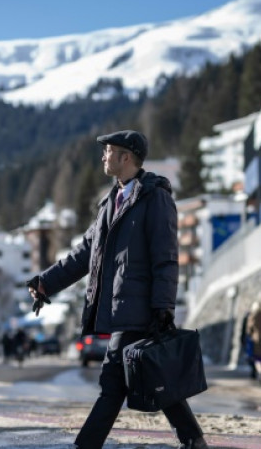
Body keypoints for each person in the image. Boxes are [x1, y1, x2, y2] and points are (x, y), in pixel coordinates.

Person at [27, 130, 208, 449]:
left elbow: (165, 258)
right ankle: (193, 438)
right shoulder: (110, 201)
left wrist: (163, 308)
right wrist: (46, 283)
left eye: (108, 151)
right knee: (153, 376)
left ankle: (86, 445)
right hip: (121, 309)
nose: (103, 156)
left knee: (113, 383)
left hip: (141, 310)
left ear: (127, 156)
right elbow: (83, 253)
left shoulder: (155, 198)